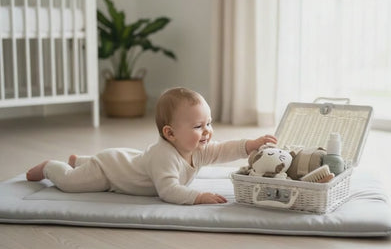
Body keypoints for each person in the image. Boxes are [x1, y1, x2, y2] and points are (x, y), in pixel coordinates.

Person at [26, 87, 277, 205]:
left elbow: (224, 150)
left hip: (125, 160)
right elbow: (168, 190)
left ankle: (80, 160)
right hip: (110, 172)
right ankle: (53, 167)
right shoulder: (164, 157)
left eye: (208, 123)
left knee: (110, 163)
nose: (208, 132)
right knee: (71, 184)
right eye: (198, 126)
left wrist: (250, 145)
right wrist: (197, 197)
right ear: (170, 133)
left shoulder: (196, 148)